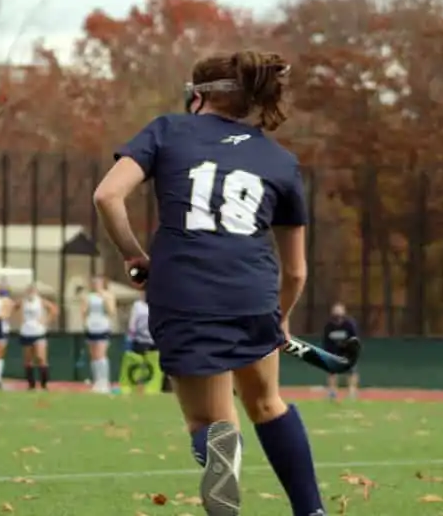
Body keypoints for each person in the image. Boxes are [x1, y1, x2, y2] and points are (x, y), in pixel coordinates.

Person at [93, 50, 325, 516]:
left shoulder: (167, 129)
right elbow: (297, 270)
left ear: (197, 97)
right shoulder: (279, 161)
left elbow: (107, 195)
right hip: (252, 291)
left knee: (210, 419)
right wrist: (280, 318)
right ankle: (311, 510)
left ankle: (221, 451)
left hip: (184, 290)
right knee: (267, 402)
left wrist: (133, 254)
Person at [79, 275, 116, 393]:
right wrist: (85, 322)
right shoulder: (88, 296)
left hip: (103, 327)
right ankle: (97, 381)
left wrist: (104, 299)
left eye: (98, 282)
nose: (96, 284)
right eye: (94, 282)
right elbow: (83, 311)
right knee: (94, 355)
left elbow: (111, 312)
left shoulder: (108, 295)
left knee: (101, 354)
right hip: (91, 327)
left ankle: (104, 382)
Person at [18, 284, 58, 390]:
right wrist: (20, 320)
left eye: (33, 290)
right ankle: (31, 384)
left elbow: (53, 309)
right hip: (26, 332)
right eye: (29, 290)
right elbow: (13, 307)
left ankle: (44, 383)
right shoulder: (23, 301)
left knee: (41, 357)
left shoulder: (40, 301)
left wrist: (46, 320)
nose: (31, 293)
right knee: (28, 359)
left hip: (38, 332)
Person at [322, 303, 359, 401]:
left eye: (339, 311)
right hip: (333, 352)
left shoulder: (349, 324)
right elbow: (326, 341)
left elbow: (354, 338)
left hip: (347, 351)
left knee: (351, 371)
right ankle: (332, 392)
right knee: (331, 372)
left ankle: (352, 392)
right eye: (335, 311)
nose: (337, 315)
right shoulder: (329, 326)